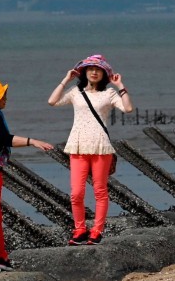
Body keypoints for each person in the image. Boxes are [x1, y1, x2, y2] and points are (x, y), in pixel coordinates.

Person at [0, 79, 53, 273]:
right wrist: (33, 141)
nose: (6, 98)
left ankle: (1, 258)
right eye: (3, 95)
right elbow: (6, 139)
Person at [48, 55, 133, 245]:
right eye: (90, 69)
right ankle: (79, 230)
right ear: (84, 72)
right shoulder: (75, 92)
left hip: (101, 147)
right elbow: (52, 101)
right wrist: (65, 79)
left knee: (100, 191)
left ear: (104, 73)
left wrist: (120, 86)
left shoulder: (109, 93)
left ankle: (97, 231)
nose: (94, 72)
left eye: (98, 69)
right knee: (76, 193)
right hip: (78, 145)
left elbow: (128, 109)